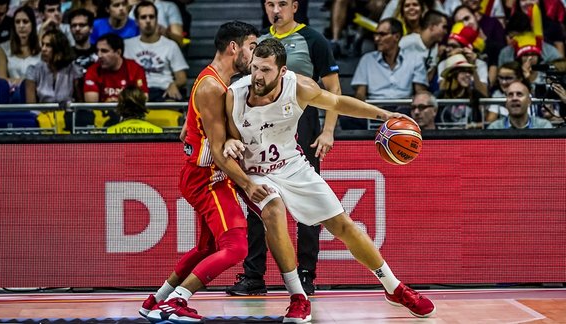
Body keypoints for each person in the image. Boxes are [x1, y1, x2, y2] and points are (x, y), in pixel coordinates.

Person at [220, 38, 436, 322]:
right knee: (273, 210)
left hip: (292, 165)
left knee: (343, 225)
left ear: (282, 71)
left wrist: (383, 114)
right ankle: (298, 296)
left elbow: (337, 102)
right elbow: (226, 135)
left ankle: (393, 287)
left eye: (266, 70)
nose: (258, 76)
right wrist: (229, 144)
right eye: (255, 68)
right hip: (255, 171)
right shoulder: (235, 94)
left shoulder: (300, 87)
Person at [138, 21, 260, 323]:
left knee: (207, 247)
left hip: (204, 174)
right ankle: (178, 302)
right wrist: (247, 183)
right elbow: (217, 151)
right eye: (252, 47)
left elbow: (186, 132)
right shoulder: (211, 86)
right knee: (236, 248)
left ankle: (156, 300)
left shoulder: (213, 81)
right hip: (207, 179)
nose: (255, 56)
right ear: (234, 47)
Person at [226, 0, 341, 297]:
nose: (276, 10)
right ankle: (254, 275)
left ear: (294, 6)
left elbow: (333, 90)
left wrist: (328, 131)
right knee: (257, 200)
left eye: (282, 4)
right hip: (261, 126)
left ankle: (305, 273)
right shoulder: (260, 43)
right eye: (270, 4)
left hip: (302, 123)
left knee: (308, 206)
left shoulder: (313, 39)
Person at [346, 17, 427, 130]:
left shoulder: (414, 59)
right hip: (375, 109)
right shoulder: (367, 59)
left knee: (414, 113)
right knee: (347, 117)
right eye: (375, 35)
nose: (376, 38)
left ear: (397, 37)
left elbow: (420, 92)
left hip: (404, 109)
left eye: (382, 34)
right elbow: (360, 95)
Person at [125, 0, 188, 102]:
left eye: (151, 16)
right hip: (136, 92)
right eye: (143, 17)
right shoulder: (127, 45)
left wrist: (174, 84)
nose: (148, 20)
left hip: (163, 91)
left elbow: (182, 78)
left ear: (157, 19)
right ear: (136, 21)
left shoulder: (170, 46)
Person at [84, 33, 148, 127]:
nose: (99, 55)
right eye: (97, 51)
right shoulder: (92, 70)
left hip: (130, 117)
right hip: (101, 118)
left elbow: (144, 98)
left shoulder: (135, 68)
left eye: (104, 51)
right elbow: (91, 103)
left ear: (118, 52)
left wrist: (117, 103)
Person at [0, 5, 41, 103]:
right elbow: (2, 79)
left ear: (32, 24)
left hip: (37, 91)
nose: (21, 26)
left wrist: (25, 82)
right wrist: (22, 82)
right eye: (17, 22)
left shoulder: (42, 47)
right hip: (12, 92)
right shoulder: (3, 47)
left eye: (25, 21)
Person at [488, 81, 554, 129]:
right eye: (510, 95)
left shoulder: (543, 127)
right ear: (506, 103)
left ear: (529, 101)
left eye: (519, 94)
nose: (514, 98)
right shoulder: (495, 128)